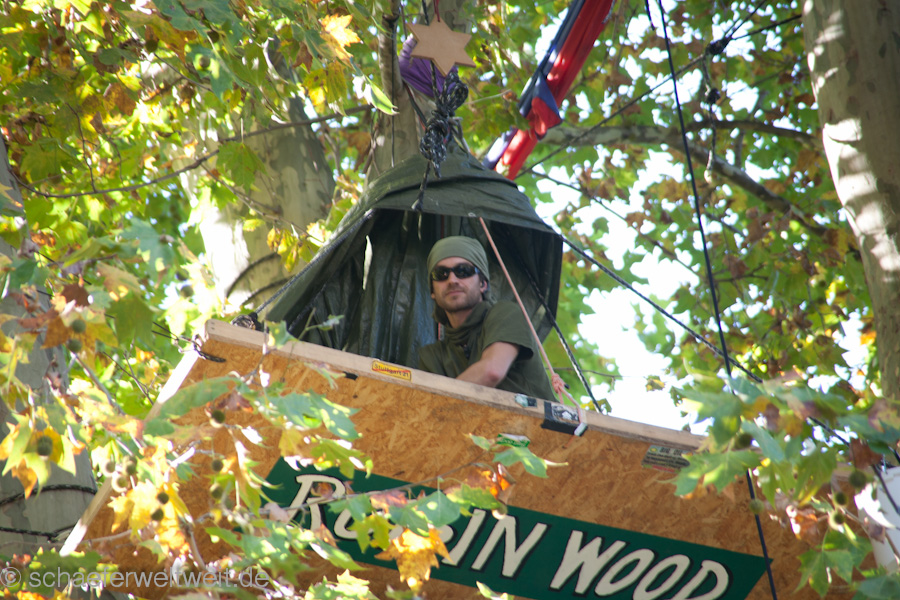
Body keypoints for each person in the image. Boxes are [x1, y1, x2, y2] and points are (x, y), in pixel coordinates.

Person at [418, 236, 556, 400]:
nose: (452, 280)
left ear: (483, 284)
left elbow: (491, 371)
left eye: (463, 271)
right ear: (432, 291)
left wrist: (442, 403)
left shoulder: (505, 313)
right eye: (441, 274)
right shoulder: (432, 356)